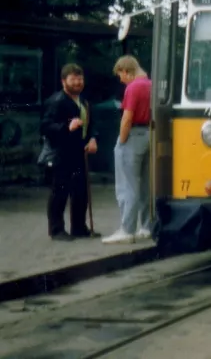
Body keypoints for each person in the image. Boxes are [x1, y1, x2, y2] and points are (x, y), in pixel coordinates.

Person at [40, 63, 99, 241]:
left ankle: (79, 227)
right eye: (73, 79)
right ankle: (57, 230)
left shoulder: (84, 102)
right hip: (62, 154)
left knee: (80, 191)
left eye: (80, 79)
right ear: (63, 81)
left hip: (79, 152)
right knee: (60, 191)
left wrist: (93, 138)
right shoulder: (56, 101)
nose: (77, 83)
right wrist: (67, 127)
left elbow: (91, 125)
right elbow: (45, 127)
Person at [103, 55, 152, 245]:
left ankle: (127, 229)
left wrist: (121, 141)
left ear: (126, 70)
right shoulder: (151, 84)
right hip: (150, 134)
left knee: (127, 185)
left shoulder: (133, 88)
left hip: (133, 136)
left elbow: (127, 118)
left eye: (120, 75)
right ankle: (147, 226)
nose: (121, 80)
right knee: (146, 185)